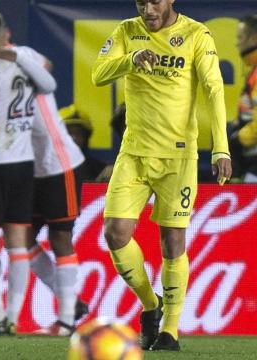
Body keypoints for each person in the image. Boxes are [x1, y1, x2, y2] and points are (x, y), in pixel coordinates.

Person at [92, 0, 231, 351]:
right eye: (141, 3)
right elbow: (98, 74)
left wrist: (221, 148)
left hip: (178, 157)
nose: (148, 10)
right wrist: (131, 60)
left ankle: (170, 330)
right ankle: (151, 305)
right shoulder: (127, 31)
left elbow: (214, 90)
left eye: (154, 2)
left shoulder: (196, 34)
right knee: (115, 233)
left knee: (172, 241)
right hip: (134, 153)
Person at [0, 9, 57, 335]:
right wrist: (21, 59)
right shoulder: (28, 55)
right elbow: (48, 79)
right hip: (24, 163)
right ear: (5, 31)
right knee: (17, 241)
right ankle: (11, 316)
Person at [28, 94, 89, 336]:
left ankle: (65, 321)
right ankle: (71, 302)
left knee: (60, 237)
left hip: (60, 165)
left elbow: (46, 67)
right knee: (20, 239)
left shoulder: (24, 63)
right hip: (31, 169)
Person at [230, 14, 257, 182]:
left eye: (240, 37)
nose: (237, 43)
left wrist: (238, 140)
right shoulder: (253, 72)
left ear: (254, 38)